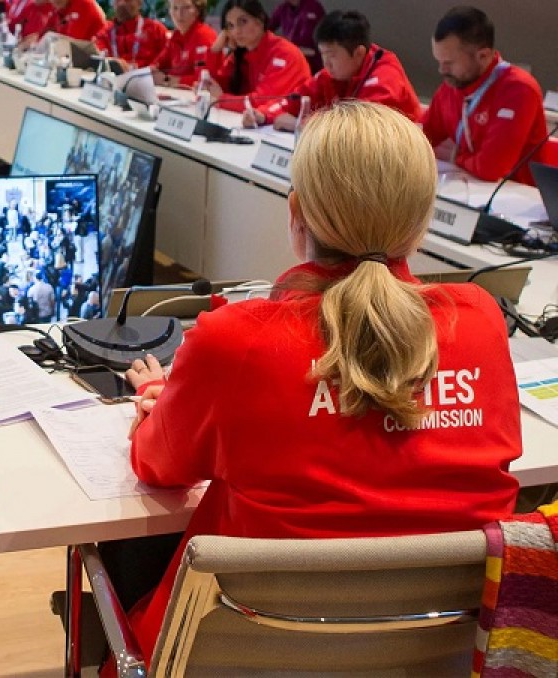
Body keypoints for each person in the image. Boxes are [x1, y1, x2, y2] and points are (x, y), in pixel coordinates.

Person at [120, 102, 521, 671]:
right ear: (422, 220)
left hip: (246, 658)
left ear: (296, 212)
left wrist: (156, 408)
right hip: (434, 662)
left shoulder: (234, 340)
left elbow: (159, 467)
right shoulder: (479, 321)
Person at [420, 6, 548, 185]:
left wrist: (455, 156)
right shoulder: (453, 85)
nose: (442, 70)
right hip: (468, 188)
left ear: (483, 56)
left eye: (449, 63)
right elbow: (419, 138)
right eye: (439, 61)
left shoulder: (519, 90)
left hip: (515, 194)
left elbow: (490, 168)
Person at [242, 10, 420, 130]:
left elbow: (356, 131)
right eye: (323, 55)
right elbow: (295, 99)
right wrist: (263, 115)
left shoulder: (385, 77)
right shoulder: (332, 74)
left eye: (332, 55)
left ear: (358, 53)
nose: (326, 64)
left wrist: (300, 124)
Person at [205, 0, 310, 114]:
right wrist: (215, 51)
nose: (236, 31)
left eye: (243, 22)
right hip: (259, 121)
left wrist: (221, 99)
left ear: (260, 20)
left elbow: (262, 101)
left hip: (294, 121)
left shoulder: (285, 54)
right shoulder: (242, 53)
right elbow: (213, 85)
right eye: (231, 26)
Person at [150, 0, 216, 88]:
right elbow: (157, 65)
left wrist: (166, 79)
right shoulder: (176, 36)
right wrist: (151, 71)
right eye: (175, 8)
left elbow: (204, 80)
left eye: (186, 7)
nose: (179, 14)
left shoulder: (204, 36)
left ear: (197, 11)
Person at [92, 0, 167, 71]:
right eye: (118, 0)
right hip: (113, 78)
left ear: (139, 3)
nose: (122, 4)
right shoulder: (104, 33)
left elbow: (168, 62)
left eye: (128, 0)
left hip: (149, 78)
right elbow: (98, 60)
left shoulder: (156, 30)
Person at [16, 0, 106, 50]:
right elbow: (42, 36)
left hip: (92, 62)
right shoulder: (59, 7)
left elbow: (73, 45)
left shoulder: (84, 5)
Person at [270, 0, 325, 72]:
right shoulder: (282, 9)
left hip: (313, 61)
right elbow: (267, 29)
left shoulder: (314, 6)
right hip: (293, 59)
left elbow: (325, 32)